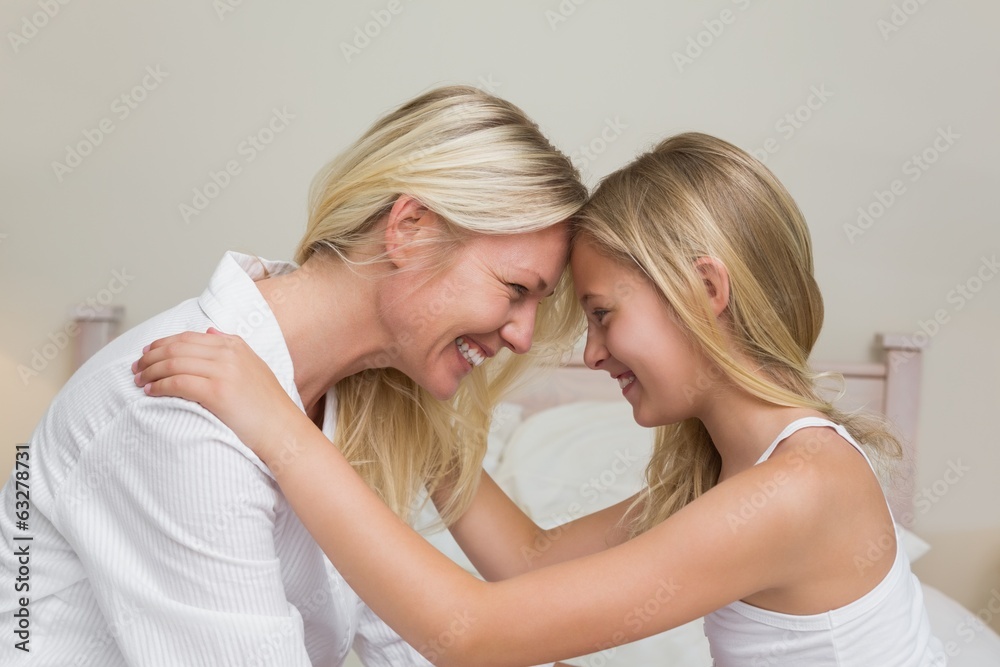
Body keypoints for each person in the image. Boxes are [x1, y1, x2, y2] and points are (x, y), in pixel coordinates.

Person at [132, 132, 949, 666]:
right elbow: (528, 562)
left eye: (602, 315)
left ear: (704, 289)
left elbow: (474, 633)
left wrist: (280, 428)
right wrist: (413, 391)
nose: (590, 352)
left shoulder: (797, 489)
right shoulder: (738, 473)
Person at [0, 85, 587, 666]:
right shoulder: (178, 411)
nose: (523, 336)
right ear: (411, 228)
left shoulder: (365, 408)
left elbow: (419, 636)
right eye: (515, 291)